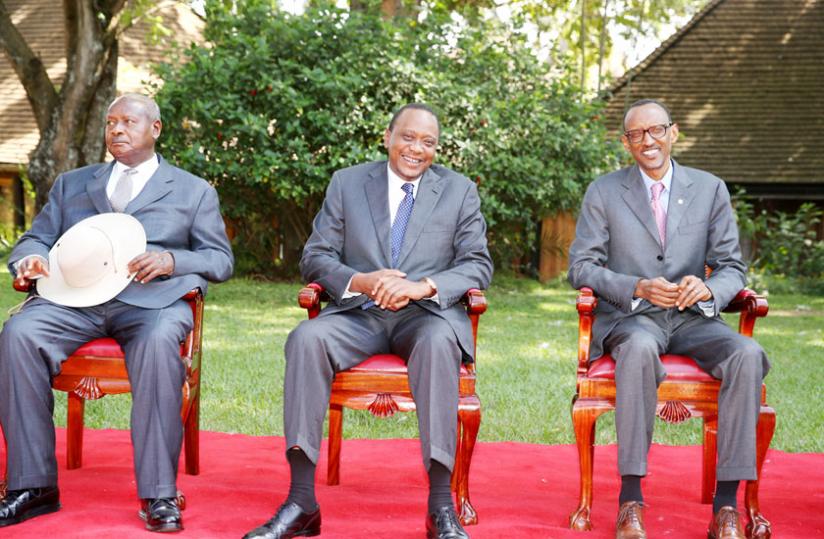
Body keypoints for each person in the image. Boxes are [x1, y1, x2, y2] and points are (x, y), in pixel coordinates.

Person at [243, 103, 493, 539]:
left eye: (428, 142)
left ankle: (440, 507)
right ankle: (301, 502)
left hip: (425, 316)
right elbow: (315, 257)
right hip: (357, 313)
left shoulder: (458, 191)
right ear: (387, 137)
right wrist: (361, 279)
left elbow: (477, 264)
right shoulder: (348, 183)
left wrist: (423, 286)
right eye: (408, 137)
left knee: (438, 344)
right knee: (305, 338)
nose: (417, 149)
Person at [0, 93, 234, 532]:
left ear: (156, 129)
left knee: (159, 342)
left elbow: (220, 260)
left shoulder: (193, 190)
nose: (118, 130)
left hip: (153, 302)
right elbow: (35, 238)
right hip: (74, 301)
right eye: (111, 123)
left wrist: (173, 261)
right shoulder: (73, 183)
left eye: (128, 122)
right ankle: (32, 487)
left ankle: (159, 493)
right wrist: (29, 260)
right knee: (18, 334)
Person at [568, 99, 770, 539]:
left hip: (694, 318)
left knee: (748, 354)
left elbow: (732, 266)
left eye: (656, 130)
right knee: (638, 349)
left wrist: (711, 289)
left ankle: (726, 507)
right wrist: (636, 286)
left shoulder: (710, 188)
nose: (648, 141)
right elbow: (580, 267)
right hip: (633, 319)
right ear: (625, 142)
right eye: (637, 134)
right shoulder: (603, 191)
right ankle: (630, 500)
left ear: (673, 132)